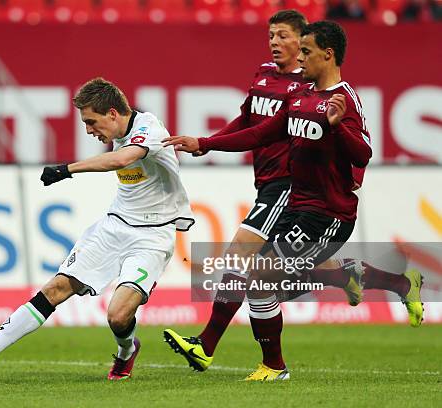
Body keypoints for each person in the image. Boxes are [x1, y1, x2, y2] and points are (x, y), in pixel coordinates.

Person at [163, 21, 423, 381]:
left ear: (327, 55)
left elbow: (363, 154)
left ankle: (261, 362)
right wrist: (204, 144)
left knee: (256, 276)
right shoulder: (299, 96)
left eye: (305, 51)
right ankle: (371, 280)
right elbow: (260, 132)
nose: (299, 58)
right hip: (296, 207)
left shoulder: (344, 99)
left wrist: (337, 126)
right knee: (265, 282)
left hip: (328, 214)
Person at [0, 77, 195, 380]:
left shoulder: (150, 130)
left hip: (153, 236)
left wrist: (67, 169)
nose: (89, 130)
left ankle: (126, 350)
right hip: (115, 225)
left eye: (92, 122)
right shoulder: (120, 132)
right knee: (56, 287)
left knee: (118, 316)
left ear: (113, 114)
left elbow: (122, 159)